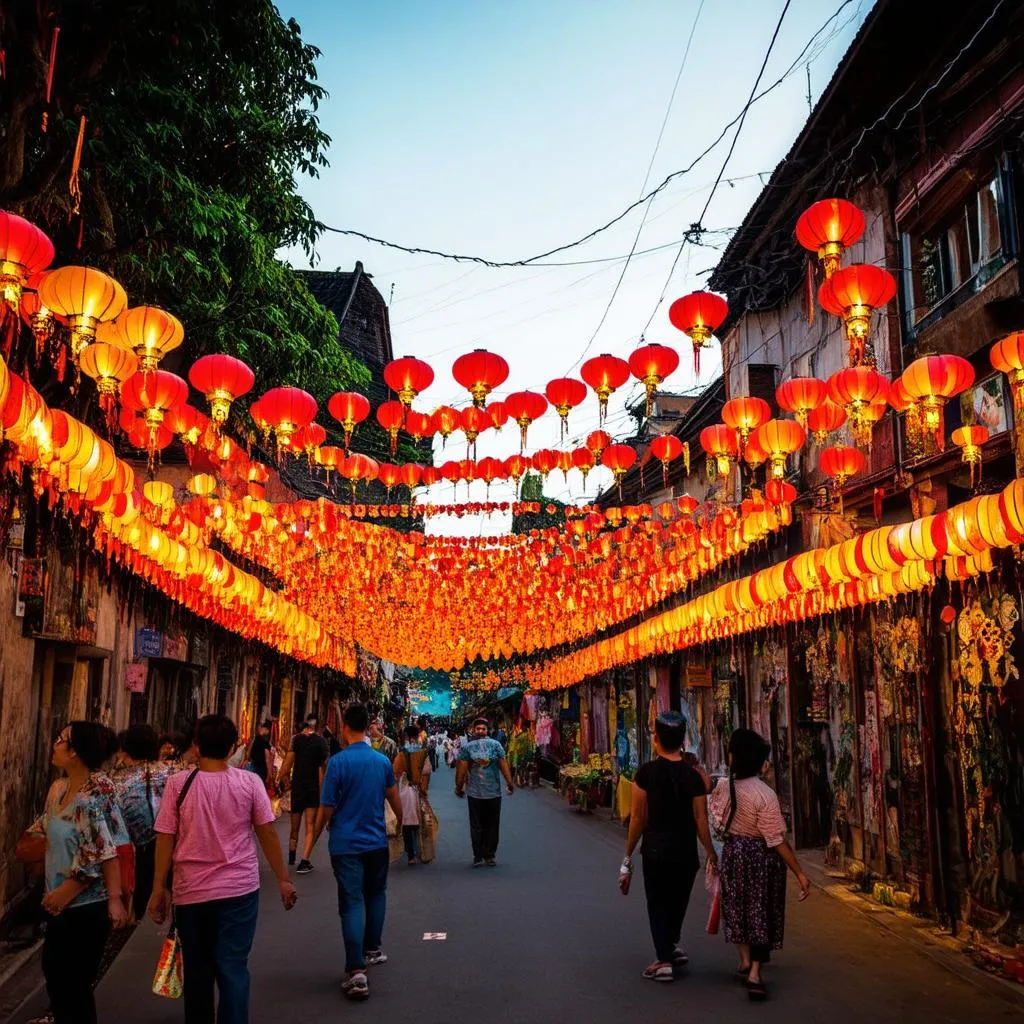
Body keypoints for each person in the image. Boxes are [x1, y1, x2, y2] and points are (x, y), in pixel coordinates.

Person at [148, 714, 297, 1024]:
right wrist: (283, 879)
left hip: (191, 893)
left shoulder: (179, 785)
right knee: (233, 968)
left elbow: (165, 838)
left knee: (198, 971)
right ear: (233, 748)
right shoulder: (249, 782)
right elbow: (267, 833)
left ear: (196, 746)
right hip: (239, 891)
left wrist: (158, 888)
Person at [19, 722, 128, 1024]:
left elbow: (105, 849)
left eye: (61, 739)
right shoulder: (58, 791)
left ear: (75, 751)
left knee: (74, 987)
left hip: (85, 906)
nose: (54, 743)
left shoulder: (93, 794)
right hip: (57, 902)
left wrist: (109, 896)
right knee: (56, 980)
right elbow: (42, 830)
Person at [709, 728, 811, 1002]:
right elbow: (776, 839)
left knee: (738, 908)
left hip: (733, 854)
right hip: (761, 859)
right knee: (761, 912)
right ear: (759, 761)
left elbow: (716, 819)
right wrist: (799, 873)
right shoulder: (764, 795)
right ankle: (755, 972)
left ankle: (744, 959)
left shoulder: (722, 787)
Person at [311, 702, 402, 1002]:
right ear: (368, 727)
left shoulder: (337, 763)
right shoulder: (381, 761)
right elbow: (393, 797)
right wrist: (400, 823)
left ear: (345, 727)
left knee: (351, 902)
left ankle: (356, 970)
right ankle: (372, 949)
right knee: (376, 894)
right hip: (376, 842)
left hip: (346, 844)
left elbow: (327, 807)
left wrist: (311, 840)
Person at [620, 712, 717, 983]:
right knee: (677, 901)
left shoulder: (646, 774)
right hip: (685, 853)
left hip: (655, 852)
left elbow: (638, 818)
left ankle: (663, 960)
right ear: (682, 740)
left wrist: (627, 854)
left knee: (658, 903)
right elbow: (701, 819)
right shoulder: (693, 776)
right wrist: (710, 852)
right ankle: (670, 945)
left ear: (657, 739)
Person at [110, 723, 176, 921]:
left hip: (137, 850)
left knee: (143, 905)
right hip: (171, 844)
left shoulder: (117, 780)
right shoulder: (172, 773)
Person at [455, 716, 513, 867]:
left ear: (487, 731)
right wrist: (509, 782)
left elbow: (503, 764)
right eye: (478, 728)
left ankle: (479, 856)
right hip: (487, 793)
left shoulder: (469, 747)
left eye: (483, 728)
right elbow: (461, 770)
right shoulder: (494, 745)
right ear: (474, 730)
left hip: (479, 793)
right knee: (491, 824)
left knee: (477, 825)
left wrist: (459, 787)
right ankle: (488, 855)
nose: (480, 731)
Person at [278, 714, 328, 873]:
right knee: (310, 826)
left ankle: (292, 855)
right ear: (317, 727)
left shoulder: (296, 740)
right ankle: (305, 860)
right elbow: (324, 767)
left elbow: (287, 764)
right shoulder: (321, 742)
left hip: (298, 787)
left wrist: (282, 779)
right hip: (312, 788)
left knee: (294, 826)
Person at [392, 724, 434, 865]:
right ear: (417, 736)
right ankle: (420, 851)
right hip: (418, 790)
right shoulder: (423, 752)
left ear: (406, 737)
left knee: (407, 823)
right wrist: (424, 789)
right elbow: (427, 771)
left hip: (404, 790)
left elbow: (395, 773)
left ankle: (411, 855)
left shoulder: (401, 753)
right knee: (420, 821)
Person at [247, 719, 276, 795]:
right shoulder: (264, 742)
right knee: (259, 791)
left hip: (253, 767)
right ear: (266, 730)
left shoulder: (255, 739)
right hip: (261, 770)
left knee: (251, 790)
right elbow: (267, 759)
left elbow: (249, 752)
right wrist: (269, 773)